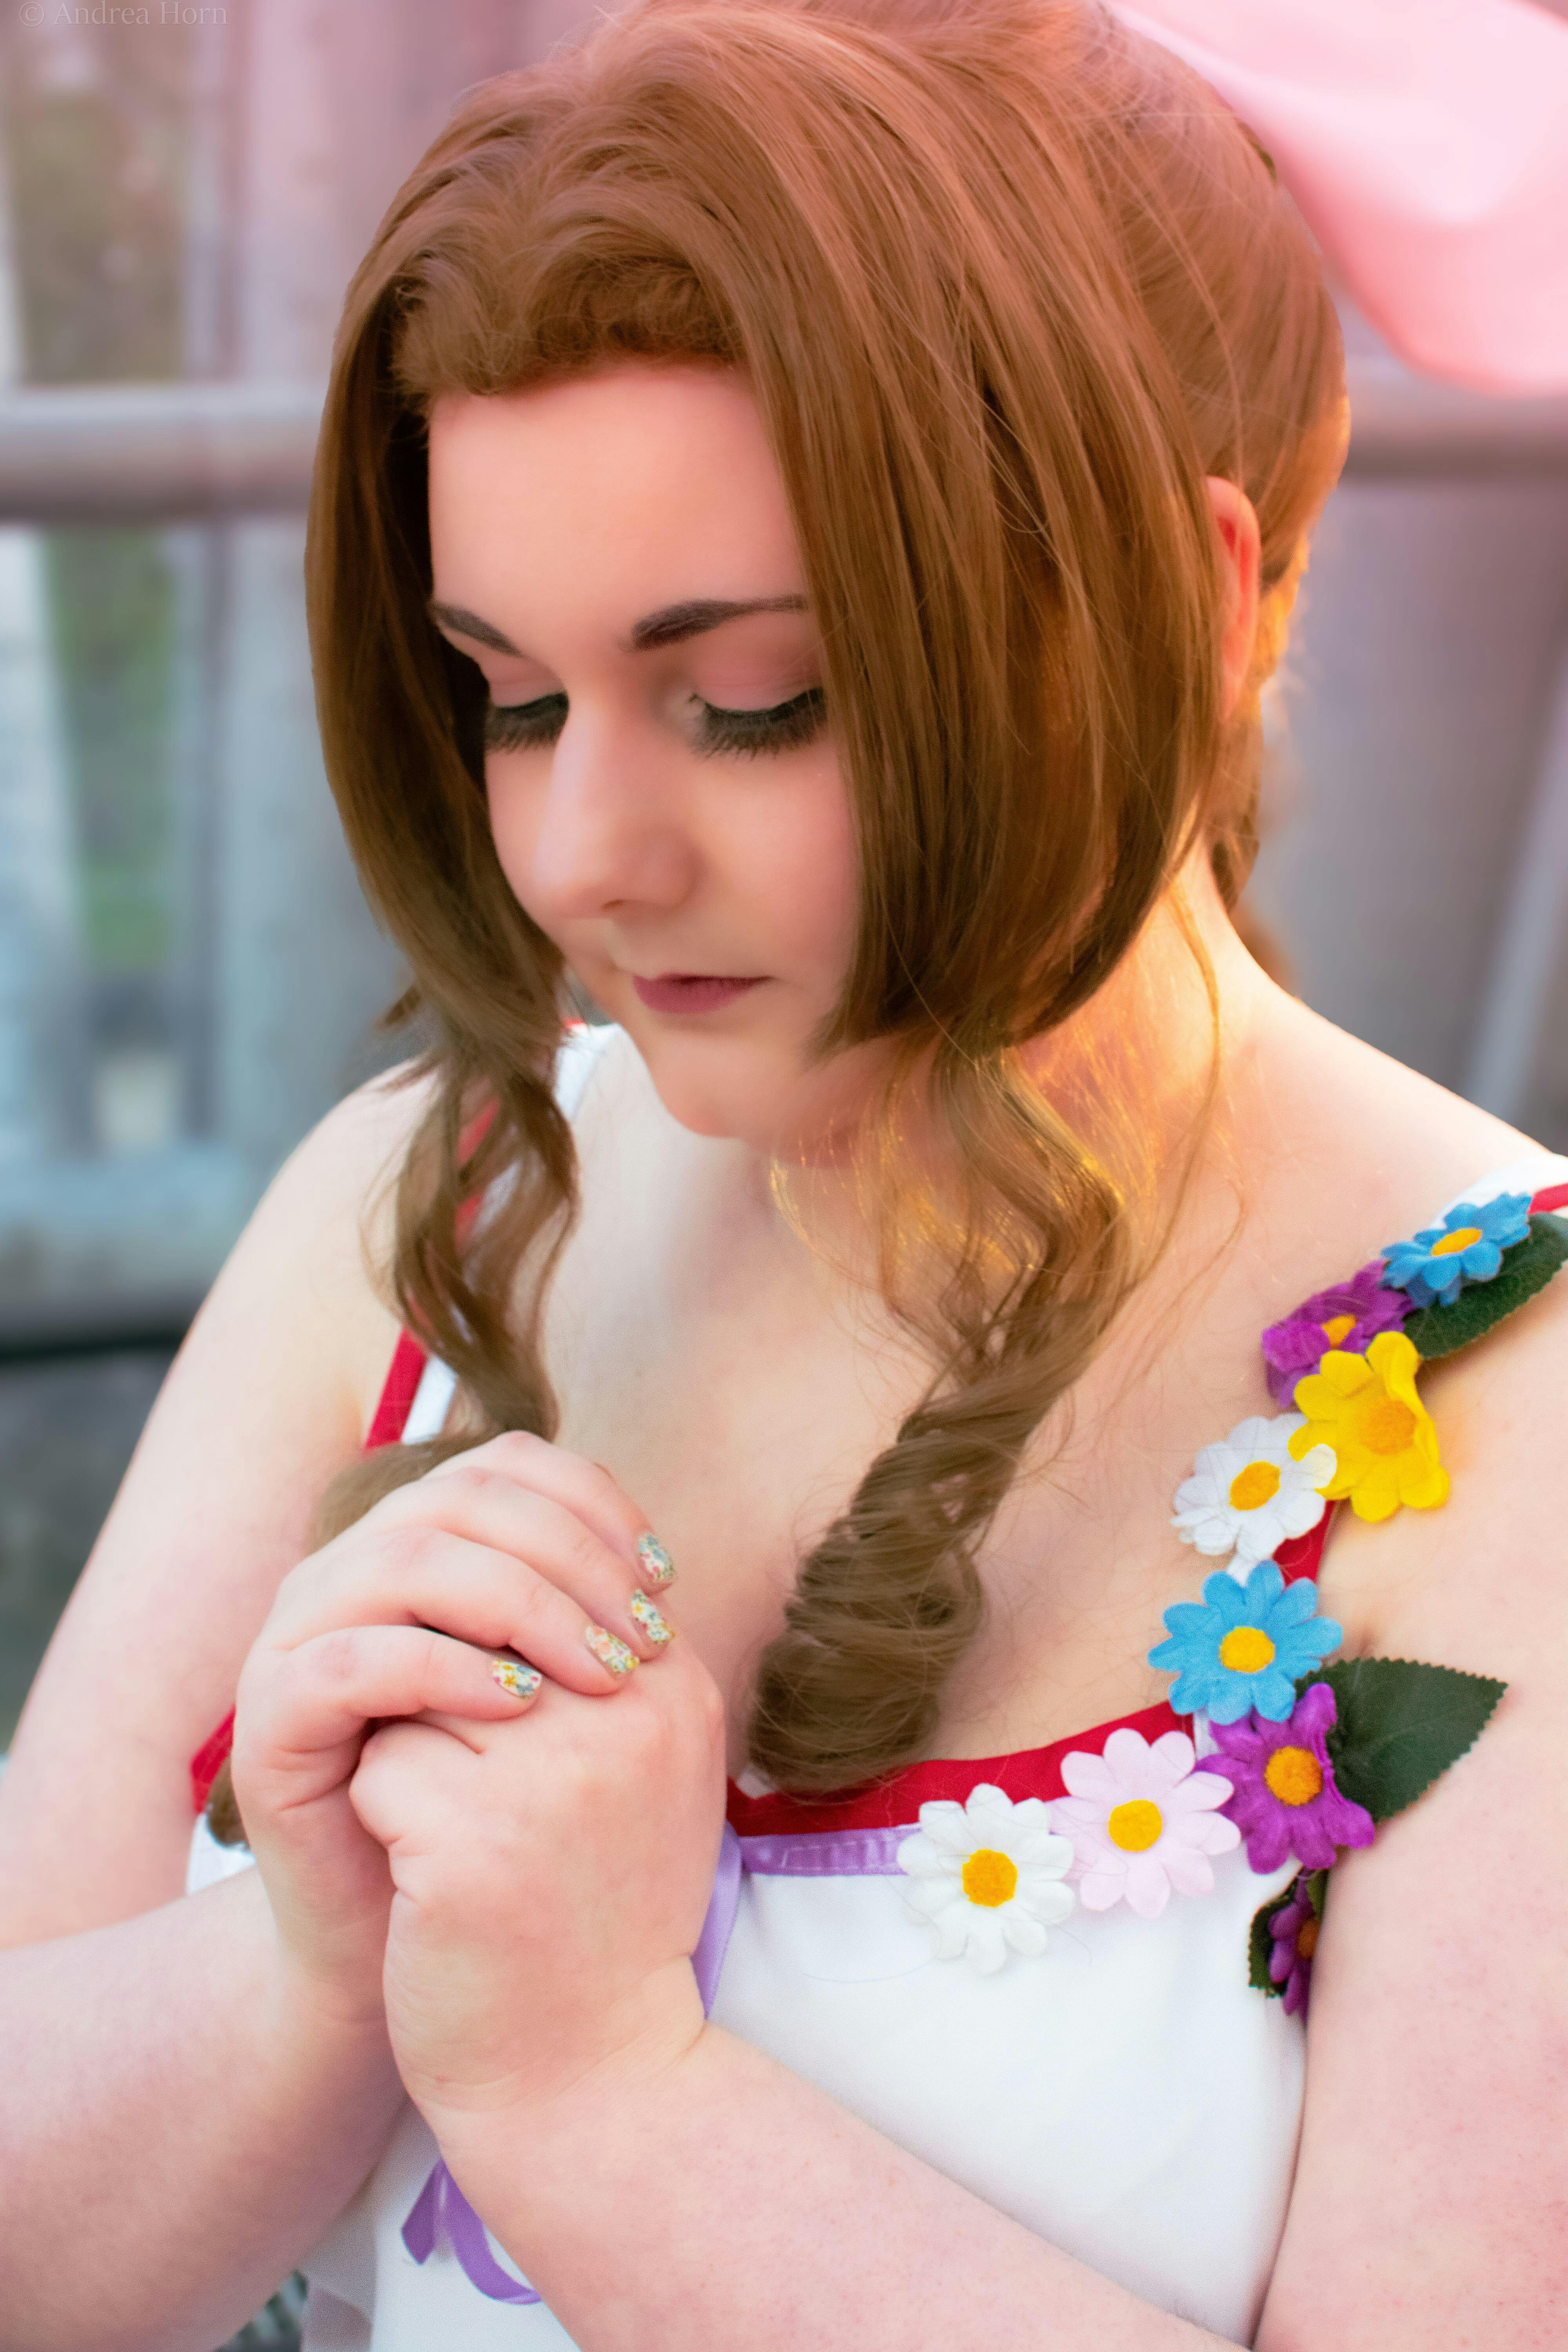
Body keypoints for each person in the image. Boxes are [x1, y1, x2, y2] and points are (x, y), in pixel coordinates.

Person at [1, 3, 1564, 2346]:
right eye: (512, 697)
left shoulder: (1526, 1412)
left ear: (1193, 603)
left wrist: (600, 2096)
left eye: (753, 699)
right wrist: (311, 1962)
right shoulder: (419, 1208)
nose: (580, 855)